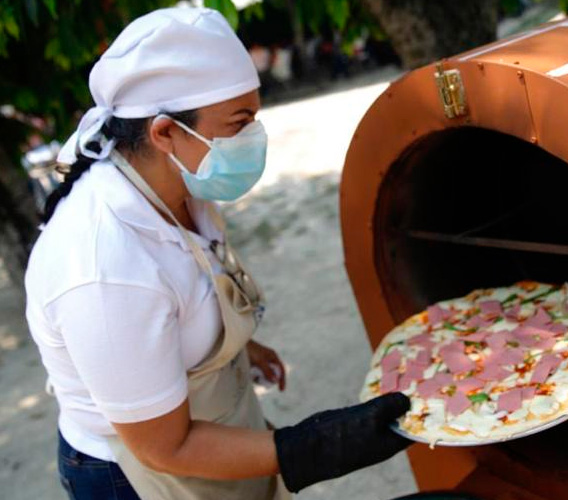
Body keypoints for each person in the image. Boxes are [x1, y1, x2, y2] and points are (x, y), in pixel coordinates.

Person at [24, 7, 410, 500]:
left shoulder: (178, 184)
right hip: (136, 472)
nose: (254, 136)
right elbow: (167, 447)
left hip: (200, 424)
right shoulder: (105, 270)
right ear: (165, 132)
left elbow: (190, 285)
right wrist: (311, 446)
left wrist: (235, 349)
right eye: (240, 122)